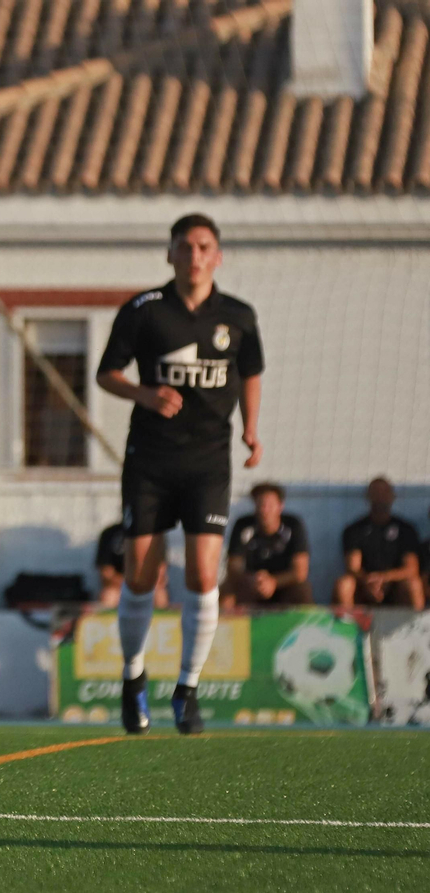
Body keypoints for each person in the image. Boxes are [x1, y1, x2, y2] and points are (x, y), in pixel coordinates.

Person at [96, 212, 265, 736]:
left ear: (218, 256)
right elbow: (106, 374)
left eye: (204, 247)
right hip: (150, 460)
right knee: (140, 575)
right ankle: (132, 677)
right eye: (185, 247)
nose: (195, 256)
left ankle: (187, 690)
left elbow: (251, 372)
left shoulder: (238, 316)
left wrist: (251, 429)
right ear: (169, 254)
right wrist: (144, 394)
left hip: (208, 462)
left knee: (203, 574)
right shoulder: (144, 310)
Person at [334, 478, 424, 612]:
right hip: (364, 585)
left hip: (395, 586)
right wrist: (369, 581)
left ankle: (418, 624)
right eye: (376, 492)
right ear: (367, 496)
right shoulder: (354, 530)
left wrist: (385, 578)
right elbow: (353, 567)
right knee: (344, 584)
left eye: (385, 492)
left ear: (393, 496)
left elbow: (411, 568)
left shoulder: (406, 529)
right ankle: (347, 624)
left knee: (413, 584)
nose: (380, 497)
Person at [222, 483, 312, 610]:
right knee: (227, 590)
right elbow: (233, 567)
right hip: (252, 583)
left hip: (284, 584)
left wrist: (273, 582)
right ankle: (222, 622)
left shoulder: (293, 525)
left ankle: (303, 623)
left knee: (302, 590)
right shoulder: (243, 525)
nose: (264, 510)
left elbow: (300, 572)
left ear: (280, 506)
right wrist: (252, 579)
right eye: (260, 504)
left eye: (270, 505)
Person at [93, 522, 168, 609]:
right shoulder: (110, 533)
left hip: (147, 586)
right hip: (119, 587)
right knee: (109, 595)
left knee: (160, 595)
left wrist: (142, 584)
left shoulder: (156, 533)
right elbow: (106, 573)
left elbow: (161, 571)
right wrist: (132, 584)